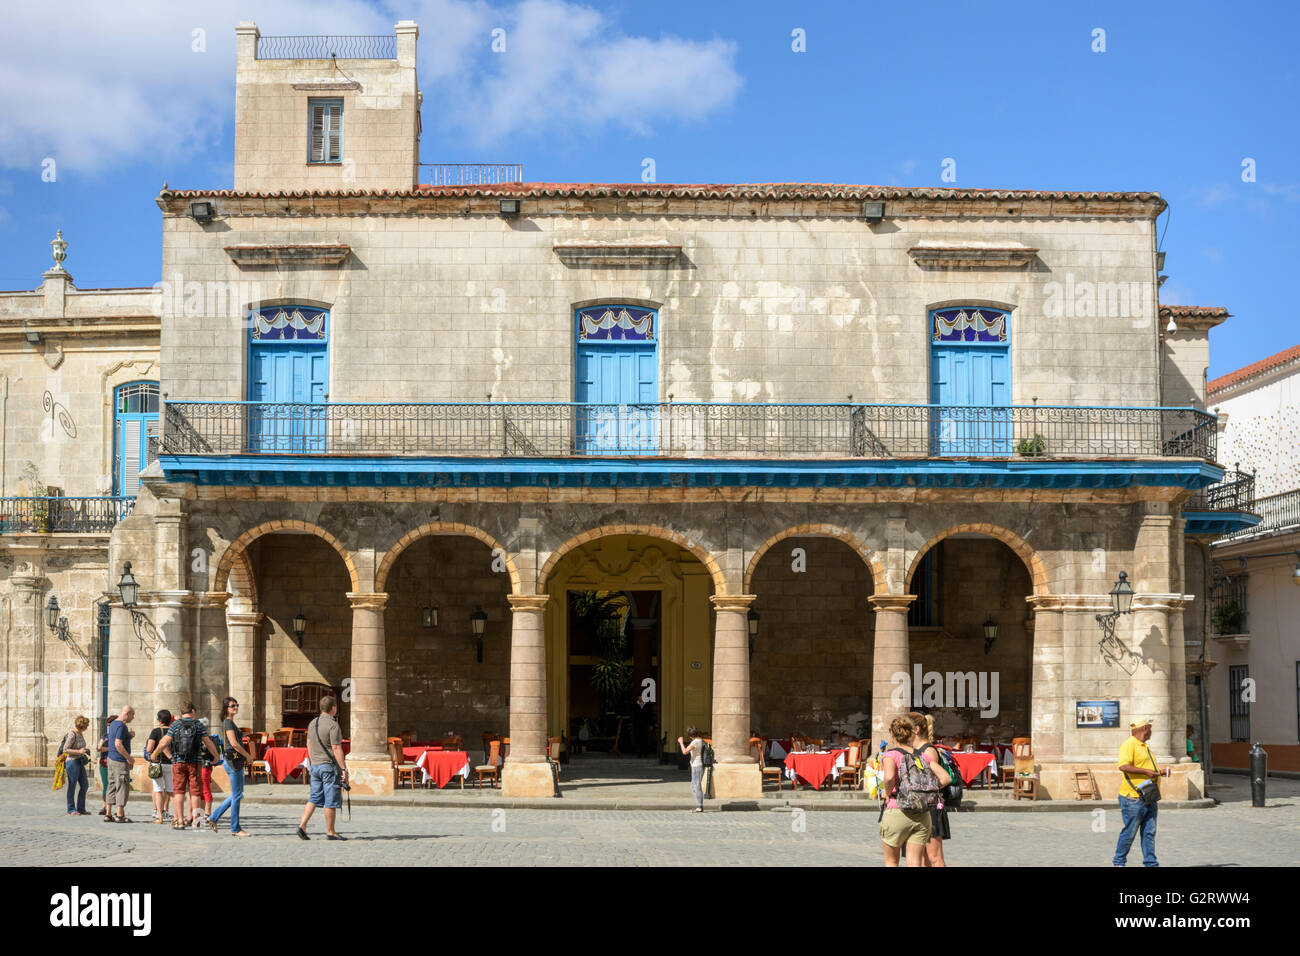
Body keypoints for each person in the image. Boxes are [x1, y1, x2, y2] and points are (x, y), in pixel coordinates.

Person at [878, 715, 951, 867]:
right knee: (915, 862)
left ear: (892, 734)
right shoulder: (923, 755)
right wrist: (926, 788)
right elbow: (945, 778)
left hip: (897, 809)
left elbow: (889, 777)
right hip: (922, 815)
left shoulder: (891, 755)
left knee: (892, 861)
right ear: (912, 734)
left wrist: (886, 792)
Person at [156, 701, 221, 830]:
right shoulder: (198, 724)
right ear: (192, 711)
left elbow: (164, 742)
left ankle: (179, 821)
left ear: (181, 712)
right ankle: (196, 821)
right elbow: (207, 742)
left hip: (178, 763)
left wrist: (154, 754)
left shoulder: (175, 725)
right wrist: (216, 756)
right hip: (195, 763)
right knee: (195, 792)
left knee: (179, 791)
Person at [298, 695, 349, 840]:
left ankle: (302, 825)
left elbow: (308, 744)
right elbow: (336, 748)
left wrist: (313, 761)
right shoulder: (333, 725)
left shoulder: (312, 723)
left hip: (315, 766)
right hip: (328, 767)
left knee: (314, 797)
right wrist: (344, 769)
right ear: (333, 708)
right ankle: (331, 831)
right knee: (331, 799)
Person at [1114, 716, 1161, 867]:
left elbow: (1145, 768)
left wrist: (1159, 772)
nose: (1151, 731)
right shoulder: (1129, 744)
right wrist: (1146, 772)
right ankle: (1119, 862)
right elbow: (1123, 766)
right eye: (1150, 728)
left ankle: (1151, 863)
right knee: (1130, 832)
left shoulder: (1144, 746)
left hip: (1149, 796)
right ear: (1145, 729)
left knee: (1149, 832)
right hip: (1133, 798)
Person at [908, 712, 950, 867]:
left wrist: (923, 790)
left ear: (916, 729)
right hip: (918, 806)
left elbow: (941, 779)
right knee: (922, 859)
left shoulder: (928, 750)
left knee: (935, 857)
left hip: (931, 807)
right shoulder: (912, 749)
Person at [210, 697, 254, 836]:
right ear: (226, 709)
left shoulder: (230, 723)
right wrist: (247, 755)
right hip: (233, 762)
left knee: (238, 795)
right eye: (232, 706)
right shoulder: (228, 723)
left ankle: (214, 817)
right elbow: (233, 743)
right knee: (236, 796)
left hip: (236, 762)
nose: (235, 707)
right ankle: (235, 828)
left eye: (236, 705)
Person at [103, 705, 136, 823]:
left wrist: (129, 736)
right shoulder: (121, 726)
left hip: (111, 759)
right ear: (127, 713)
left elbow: (116, 740)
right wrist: (129, 758)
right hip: (119, 760)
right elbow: (118, 744)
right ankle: (120, 815)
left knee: (111, 785)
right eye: (133, 715)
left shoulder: (113, 724)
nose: (133, 717)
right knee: (122, 785)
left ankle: (108, 813)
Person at [144, 710, 174, 824]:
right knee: (171, 791)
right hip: (171, 764)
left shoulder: (156, 731)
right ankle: (176, 816)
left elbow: (149, 748)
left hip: (158, 764)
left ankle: (160, 816)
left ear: (159, 721)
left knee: (158, 790)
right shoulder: (173, 731)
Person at [60, 716, 93, 816]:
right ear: (82, 726)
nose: (87, 728)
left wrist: (84, 750)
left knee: (85, 785)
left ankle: (81, 808)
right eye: (86, 726)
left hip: (79, 761)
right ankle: (71, 809)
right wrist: (78, 751)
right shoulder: (72, 734)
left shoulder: (80, 733)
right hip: (72, 762)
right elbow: (65, 749)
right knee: (72, 785)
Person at [676, 727, 706, 812]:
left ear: (690, 736)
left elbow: (685, 752)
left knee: (696, 785)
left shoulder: (695, 742)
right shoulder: (700, 740)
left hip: (697, 765)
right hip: (697, 765)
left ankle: (699, 806)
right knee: (694, 785)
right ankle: (699, 805)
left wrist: (681, 743)